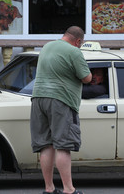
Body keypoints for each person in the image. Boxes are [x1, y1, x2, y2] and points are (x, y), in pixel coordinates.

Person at [30, 26, 92, 194]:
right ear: (78, 41)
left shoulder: (47, 46)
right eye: (80, 44)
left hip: (38, 98)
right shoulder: (74, 52)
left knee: (45, 145)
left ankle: (49, 188)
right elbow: (86, 78)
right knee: (63, 146)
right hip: (60, 100)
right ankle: (69, 189)